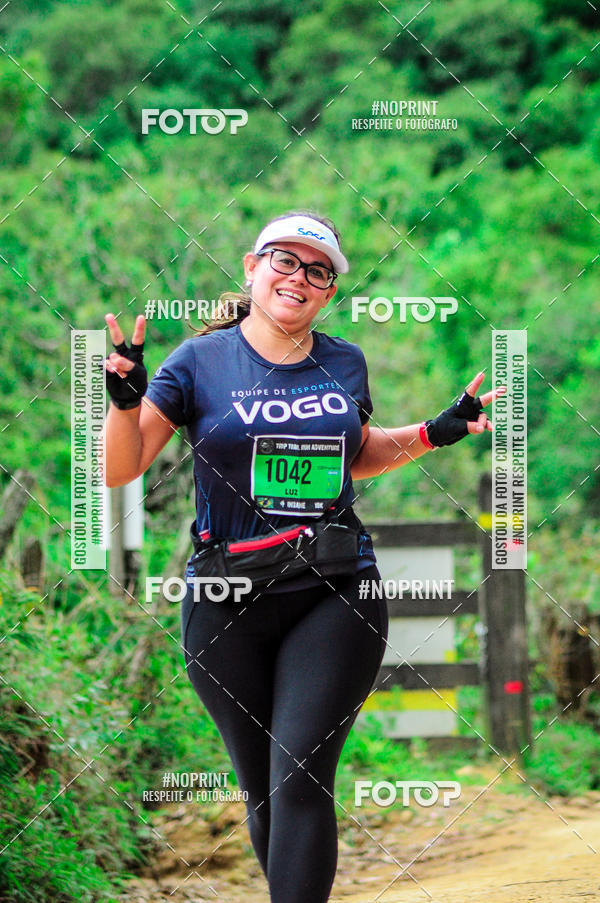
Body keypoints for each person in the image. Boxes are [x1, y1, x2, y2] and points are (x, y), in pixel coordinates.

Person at [102, 210, 503, 903]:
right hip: (225, 599)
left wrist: (435, 432)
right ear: (253, 267)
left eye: (318, 270)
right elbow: (122, 466)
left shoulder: (343, 360)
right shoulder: (197, 362)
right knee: (263, 789)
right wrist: (121, 401)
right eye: (285, 261)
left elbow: (359, 454)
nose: (300, 277)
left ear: (328, 293)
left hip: (336, 586)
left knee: (301, 775)